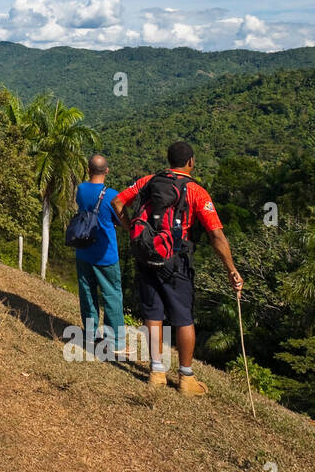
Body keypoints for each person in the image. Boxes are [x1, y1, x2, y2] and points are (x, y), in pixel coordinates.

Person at [111, 141, 243, 395]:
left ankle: (157, 372)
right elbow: (216, 236)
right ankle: (185, 377)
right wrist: (231, 269)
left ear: (168, 160)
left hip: (147, 255)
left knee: (153, 314)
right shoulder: (197, 191)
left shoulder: (148, 181)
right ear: (191, 162)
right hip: (177, 260)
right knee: (183, 317)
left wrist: (131, 231)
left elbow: (117, 203)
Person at [73, 154, 127, 358]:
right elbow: (122, 221)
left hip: (83, 250)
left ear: (88, 170)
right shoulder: (113, 195)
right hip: (106, 254)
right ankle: (115, 341)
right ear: (107, 171)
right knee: (112, 295)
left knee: (87, 293)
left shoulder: (81, 189)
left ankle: (90, 334)